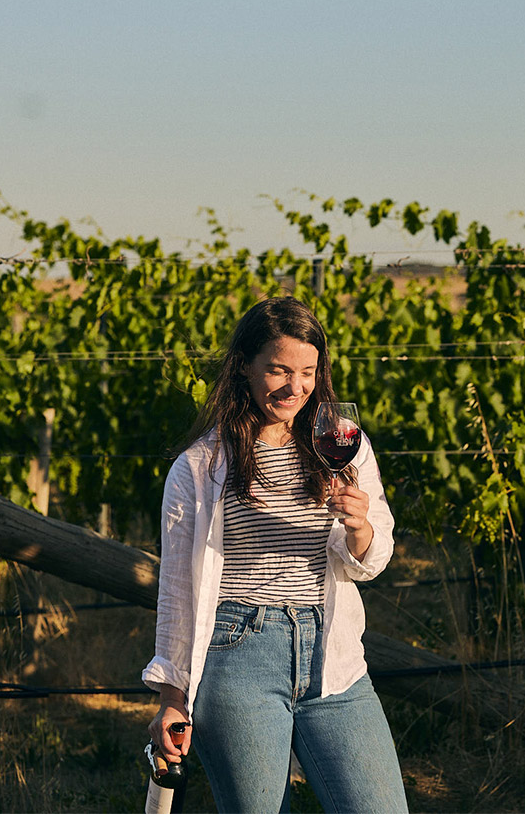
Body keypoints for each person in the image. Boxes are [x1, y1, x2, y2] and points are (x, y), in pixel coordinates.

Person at [142, 296, 408, 813]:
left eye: (308, 372)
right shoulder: (199, 467)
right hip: (237, 655)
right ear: (245, 366)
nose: (295, 388)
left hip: (333, 659)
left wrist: (359, 525)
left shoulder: (345, 445)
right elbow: (176, 592)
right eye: (279, 370)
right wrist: (172, 700)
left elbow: (371, 562)